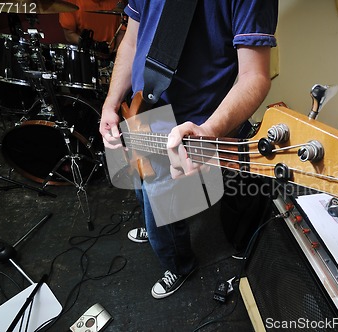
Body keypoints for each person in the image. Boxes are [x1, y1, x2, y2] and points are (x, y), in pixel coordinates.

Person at [99, 1, 278, 299]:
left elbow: (255, 76)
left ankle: (179, 265)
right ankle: (153, 223)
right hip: (140, 107)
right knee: (144, 186)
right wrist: (110, 103)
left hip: (188, 124)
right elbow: (131, 42)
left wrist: (208, 132)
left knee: (165, 209)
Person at [59, 0, 126, 53]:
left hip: (110, 55)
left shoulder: (118, 2)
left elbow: (122, 31)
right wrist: (92, 45)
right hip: (84, 55)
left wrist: (117, 51)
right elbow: (69, 34)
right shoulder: (71, 2)